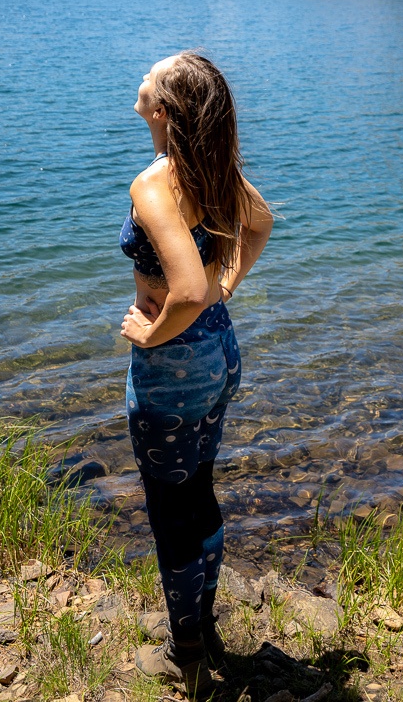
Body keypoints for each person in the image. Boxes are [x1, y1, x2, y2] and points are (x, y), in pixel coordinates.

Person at [119, 51, 273, 697]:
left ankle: (186, 654)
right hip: (219, 354)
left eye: (149, 78)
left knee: (169, 512)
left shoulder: (153, 186)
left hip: (173, 366)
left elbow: (182, 289)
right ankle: (202, 627)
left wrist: (150, 332)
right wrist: (227, 285)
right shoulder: (212, 168)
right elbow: (258, 225)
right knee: (199, 490)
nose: (140, 80)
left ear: (161, 110)